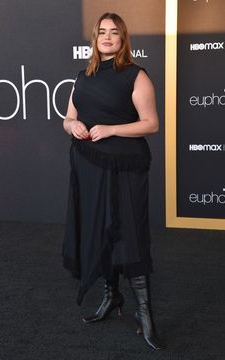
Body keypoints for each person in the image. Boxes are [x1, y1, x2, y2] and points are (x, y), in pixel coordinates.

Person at [62, 12, 165, 350]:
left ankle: (145, 315)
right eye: (102, 32)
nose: (107, 37)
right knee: (101, 230)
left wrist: (110, 129)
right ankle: (112, 298)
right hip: (89, 165)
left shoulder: (135, 75)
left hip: (126, 166)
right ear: (95, 38)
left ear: (123, 39)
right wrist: (72, 126)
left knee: (129, 233)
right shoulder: (83, 77)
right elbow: (69, 117)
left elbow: (151, 124)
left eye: (114, 32)